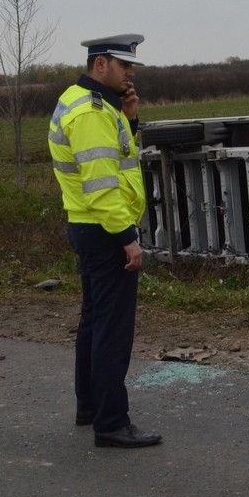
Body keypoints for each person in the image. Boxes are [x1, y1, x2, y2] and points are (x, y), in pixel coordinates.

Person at [48, 34, 162, 448]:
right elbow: (101, 184)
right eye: (124, 65)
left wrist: (129, 119)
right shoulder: (93, 112)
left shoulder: (83, 101)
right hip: (104, 228)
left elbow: (113, 157)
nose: (130, 72)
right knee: (112, 329)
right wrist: (128, 237)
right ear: (101, 65)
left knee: (95, 321)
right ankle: (112, 423)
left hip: (89, 226)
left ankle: (90, 407)